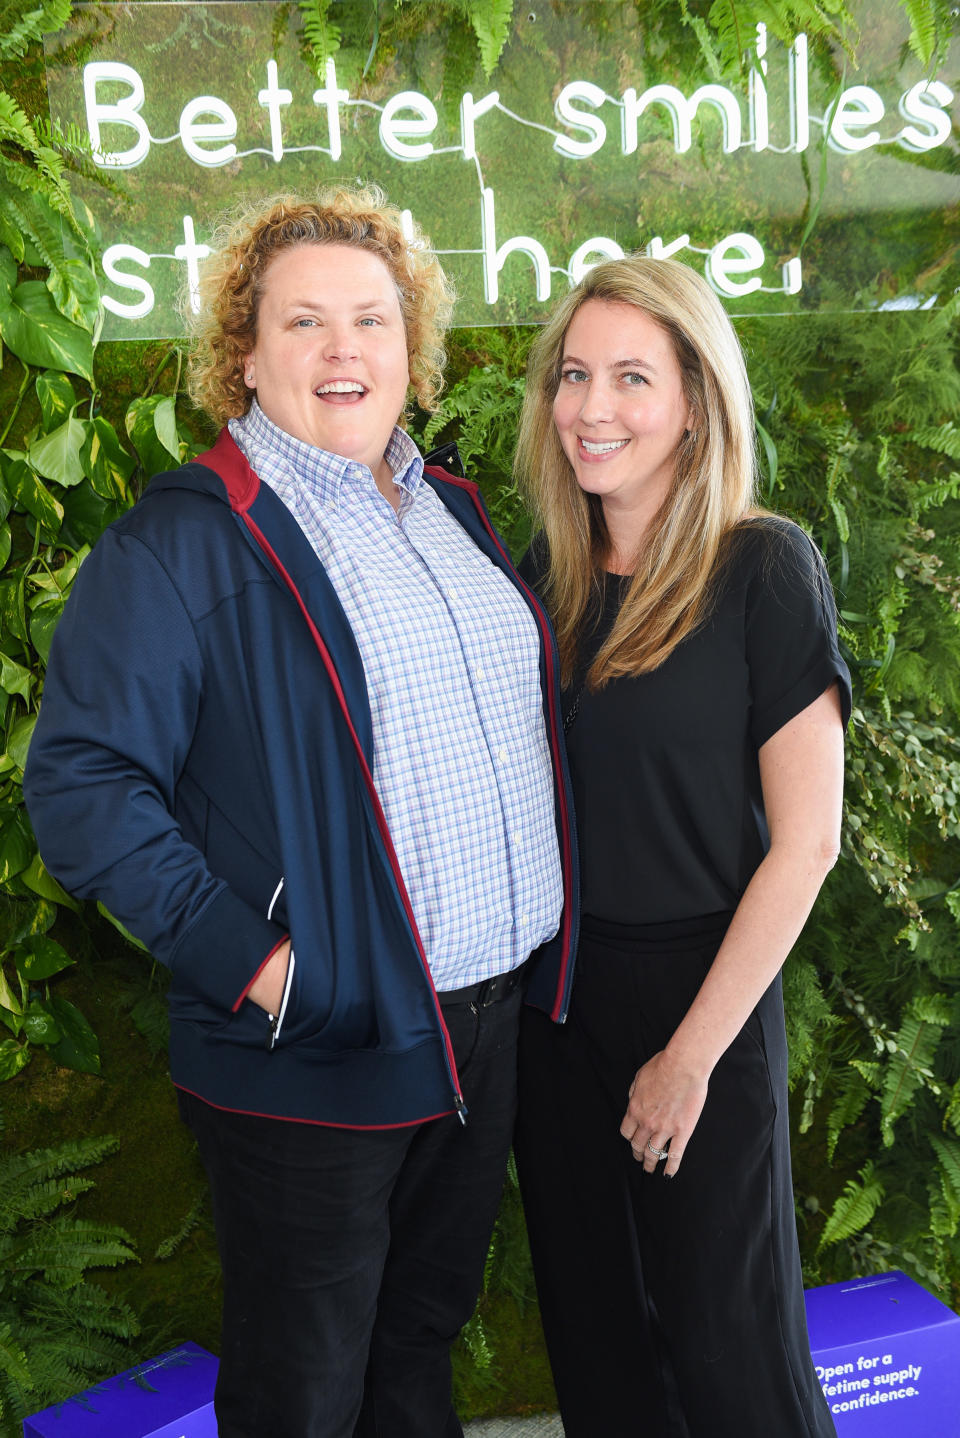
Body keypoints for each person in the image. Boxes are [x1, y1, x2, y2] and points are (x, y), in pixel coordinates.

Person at [24, 186, 577, 1438]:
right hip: (317, 1039)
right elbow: (82, 785)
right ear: (244, 352)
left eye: (374, 321)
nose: (345, 352)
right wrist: (265, 966)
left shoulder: (447, 507)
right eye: (305, 323)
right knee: (304, 1387)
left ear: (412, 345)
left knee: (416, 1346)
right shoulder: (180, 545)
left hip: (484, 1026)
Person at [512, 255, 849, 1438]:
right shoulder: (542, 580)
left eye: (632, 378)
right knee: (600, 1361)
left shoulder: (762, 568)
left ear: (698, 401)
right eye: (574, 375)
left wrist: (691, 1056)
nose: (592, 408)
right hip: (555, 1012)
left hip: (699, 999)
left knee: (734, 1359)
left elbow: (805, 845)